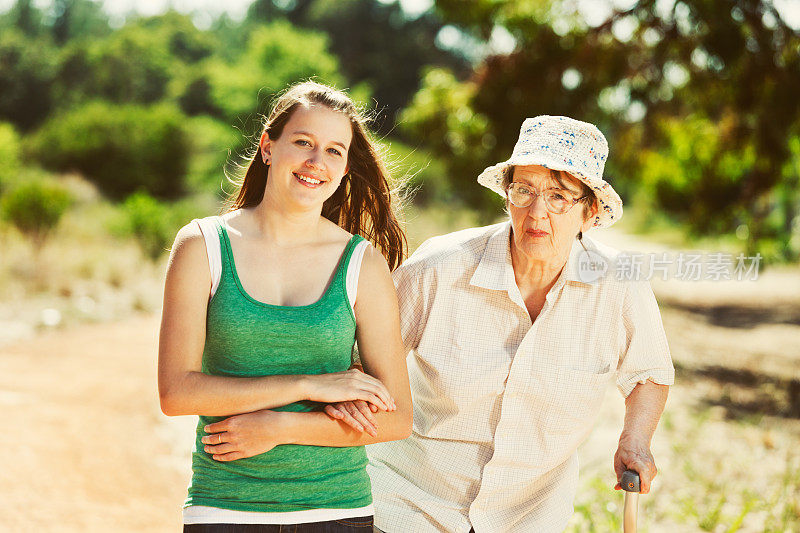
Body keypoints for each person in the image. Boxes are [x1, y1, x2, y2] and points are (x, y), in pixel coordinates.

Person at [328, 115, 675, 532]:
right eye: (523, 190)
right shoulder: (441, 265)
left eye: (559, 197)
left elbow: (649, 372)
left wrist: (634, 441)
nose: (536, 213)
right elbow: (361, 360)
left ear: (590, 213)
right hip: (409, 503)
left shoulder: (619, 283)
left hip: (529, 515)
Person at [157, 81, 413, 532]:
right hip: (224, 507)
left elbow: (398, 419)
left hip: (339, 513)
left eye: (335, 151)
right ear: (267, 147)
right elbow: (177, 393)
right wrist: (310, 385)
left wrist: (280, 427)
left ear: (346, 167)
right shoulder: (202, 246)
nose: (317, 162)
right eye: (303, 142)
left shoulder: (362, 264)